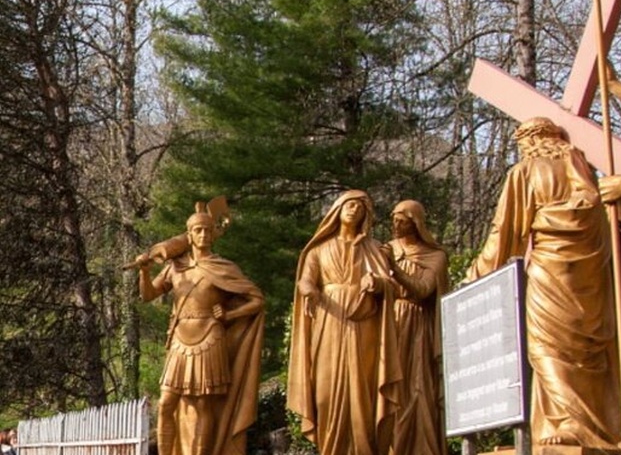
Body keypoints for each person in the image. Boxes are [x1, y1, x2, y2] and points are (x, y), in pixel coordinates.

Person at [463, 116, 621, 450]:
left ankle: (570, 421)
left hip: (549, 273)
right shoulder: (583, 170)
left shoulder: (526, 171)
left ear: (530, 142)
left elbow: (504, 232)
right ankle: (598, 425)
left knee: (545, 348)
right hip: (592, 276)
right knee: (587, 352)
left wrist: (474, 276)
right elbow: (601, 215)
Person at [137, 202, 265, 455]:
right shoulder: (175, 267)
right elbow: (148, 295)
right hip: (179, 340)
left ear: (213, 234)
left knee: (204, 406)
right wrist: (144, 271)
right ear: (189, 234)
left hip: (210, 337)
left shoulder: (223, 267)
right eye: (198, 231)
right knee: (165, 403)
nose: (203, 235)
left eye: (207, 231)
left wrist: (230, 314)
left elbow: (257, 300)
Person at [287, 190, 401, 455]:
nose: (354, 210)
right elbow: (305, 279)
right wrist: (309, 290)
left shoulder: (373, 249)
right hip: (329, 321)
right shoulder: (318, 250)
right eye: (349, 205)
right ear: (337, 210)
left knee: (363, 389)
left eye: (360, 207)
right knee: (325, 391)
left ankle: (365, 448)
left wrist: (377, 283)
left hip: (364, 324)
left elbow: (391, 285)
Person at [381, 200, 449, 455]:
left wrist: (395, 269)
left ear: (416, 223)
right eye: (394, 220)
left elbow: (422, 290)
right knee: (391, 388)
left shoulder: (435, 255)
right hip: (390, 325)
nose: (396, 226)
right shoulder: (387, 249)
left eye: (403, 221)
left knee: (417, 389)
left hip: (418, 325)